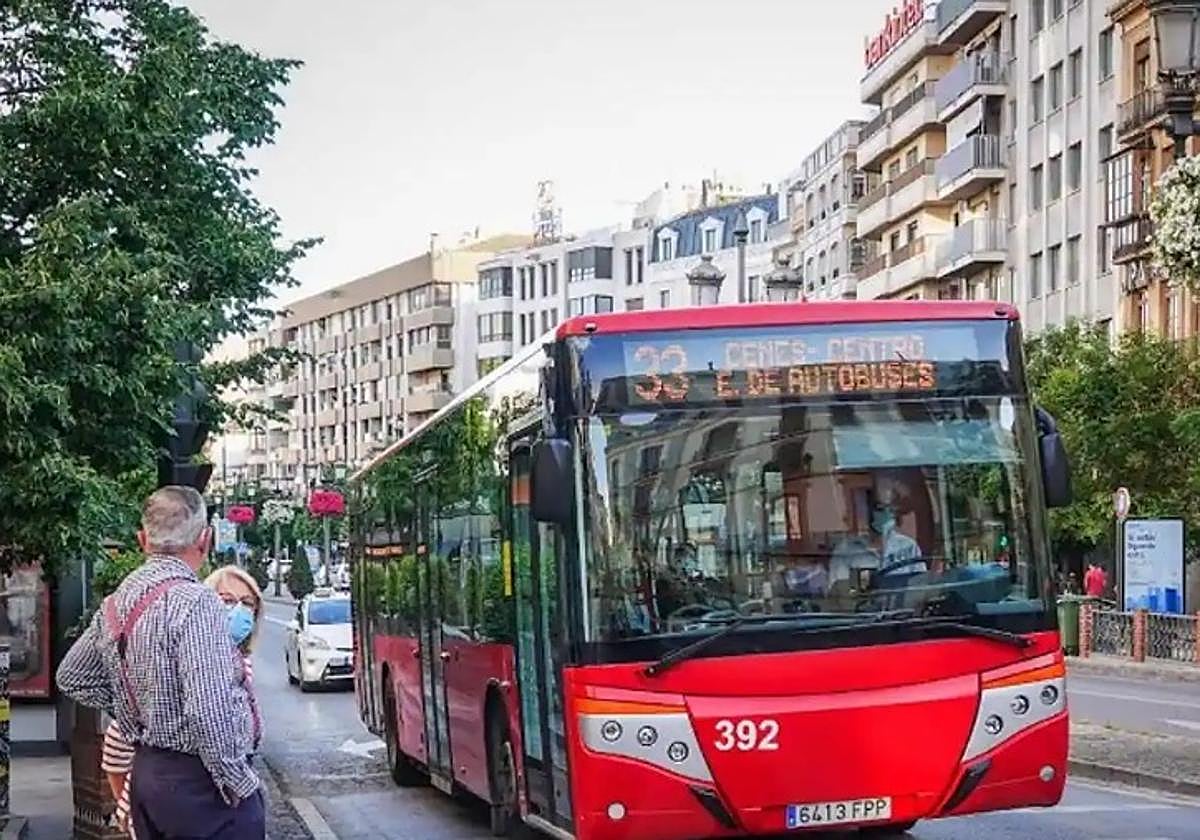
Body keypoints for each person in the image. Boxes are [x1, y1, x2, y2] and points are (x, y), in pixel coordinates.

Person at [57, 486, 264, 839]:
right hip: (202, 786)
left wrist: (135, 704)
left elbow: (72, 676)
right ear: (206, 539)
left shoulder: (116, 603)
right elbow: (207, 709)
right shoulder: (197, 602)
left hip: (148, 775)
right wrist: (239, 782)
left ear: (142, 540)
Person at [103, 565, 264, 837]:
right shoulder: (183, 664)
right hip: (189, 810)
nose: (237, 611)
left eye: (247, 603)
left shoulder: (237, 662)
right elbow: (117, 744)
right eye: (225, 600)